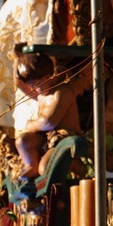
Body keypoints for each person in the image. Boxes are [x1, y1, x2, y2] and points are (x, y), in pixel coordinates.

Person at [13, 45, 90, 179]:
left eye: (36, 84)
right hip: (48, 138)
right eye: (31, 86)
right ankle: (32, 166)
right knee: (22, 141)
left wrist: (30, 125)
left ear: (49, 77)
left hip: (64, 138)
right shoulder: (41, 92)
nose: (34, 89)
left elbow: (49, 122)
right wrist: (17, 59)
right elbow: (20, 85)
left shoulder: (62, 92)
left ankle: (76, 165)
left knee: (45, 169)